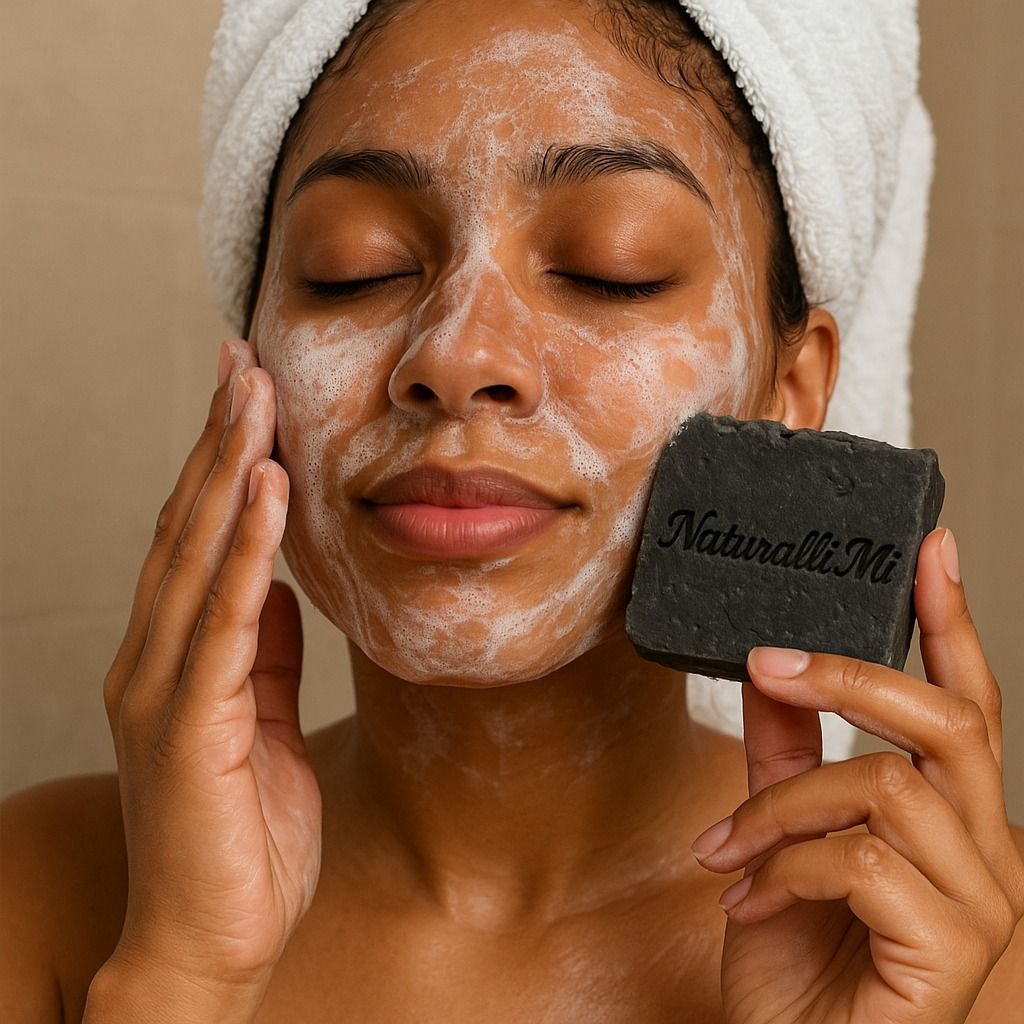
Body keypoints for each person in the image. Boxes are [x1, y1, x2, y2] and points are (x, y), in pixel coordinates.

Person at [2, 0, 1022, 1020]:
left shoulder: (955, 949)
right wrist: (182, 978)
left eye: (608, 271)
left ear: (787, 394)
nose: (455, 354)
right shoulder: (44, 897)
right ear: (253, 357)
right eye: (355, 266)